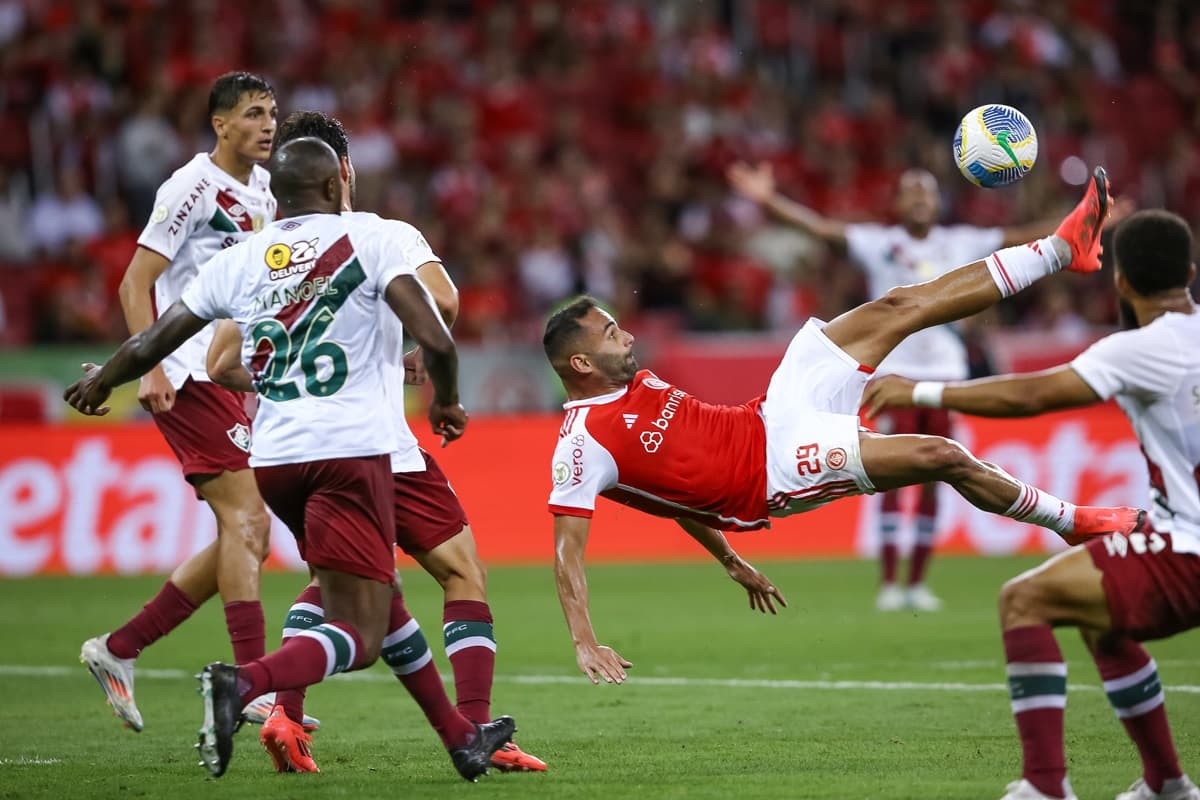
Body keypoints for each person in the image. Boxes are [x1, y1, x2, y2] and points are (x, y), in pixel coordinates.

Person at [545, 167, 1147, 686]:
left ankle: (1063, 249)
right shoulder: (582, 446)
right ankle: (1072, 522)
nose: (628, 336)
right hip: (775, 469)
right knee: (942, 455)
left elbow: (673, 487)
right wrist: (584, 640)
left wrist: (727, 559)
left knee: (900, 304)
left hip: (771, 408)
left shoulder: (636, 383)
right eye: (611, 334)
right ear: (581, 364)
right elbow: (568, 553)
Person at [63, 137, 516, 781]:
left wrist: (103, 381)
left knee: (379, 597)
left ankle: (461, 739)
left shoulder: (242, 257)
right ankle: (245, 683)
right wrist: (446, 399)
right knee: (358, 636)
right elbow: (438, 336)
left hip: (276, 461)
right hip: (350, 452)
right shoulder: (369, 238)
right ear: (335, 186)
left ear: (274, 195)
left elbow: (156, 340)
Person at [205, 110, 545, 774]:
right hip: (377, 445)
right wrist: (409, 352)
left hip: (296, 449)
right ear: (343, 172)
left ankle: (286, 713)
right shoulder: (381, 234)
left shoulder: (263, 254)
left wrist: (289, 372)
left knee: (341, 586)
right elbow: (445, 302)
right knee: (459, 572)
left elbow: (221, 363)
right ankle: (478, 727)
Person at [861, 209, 1200, 800]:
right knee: (1103, 623)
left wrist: (919, 390)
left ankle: (1045, 787)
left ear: (1121, 282)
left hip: (1188, 547)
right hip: (1180, 537)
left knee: (1025, 600)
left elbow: (1033, 394)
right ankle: (1167, 784)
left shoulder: (1140, 349)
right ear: (1190, 274)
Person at [728, 162, 1059, 612]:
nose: (920, 198)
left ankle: (917, 582)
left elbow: (1020, 237)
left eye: (927, 191)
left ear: (938, 202)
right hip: (891, 376)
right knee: (886, 476)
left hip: (945, 374)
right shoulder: (879, 242)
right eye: (911, 191)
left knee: (937, 476)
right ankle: (888, 583)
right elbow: (823, 229)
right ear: (898, 203)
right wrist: (768, 201)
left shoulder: (962, 241)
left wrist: (1077, 225)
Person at [79, 71, 278, 733]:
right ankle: (253, 683)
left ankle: (120, 647)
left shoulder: (264, 190)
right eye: (253, 114)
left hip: (229, 375)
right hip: (188, 372)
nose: (268, 125)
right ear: (220, 124)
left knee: (248, 535)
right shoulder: (191, 185)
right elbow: (135, 283)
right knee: (248, 522)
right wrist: (153, 368)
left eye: (272, 113)